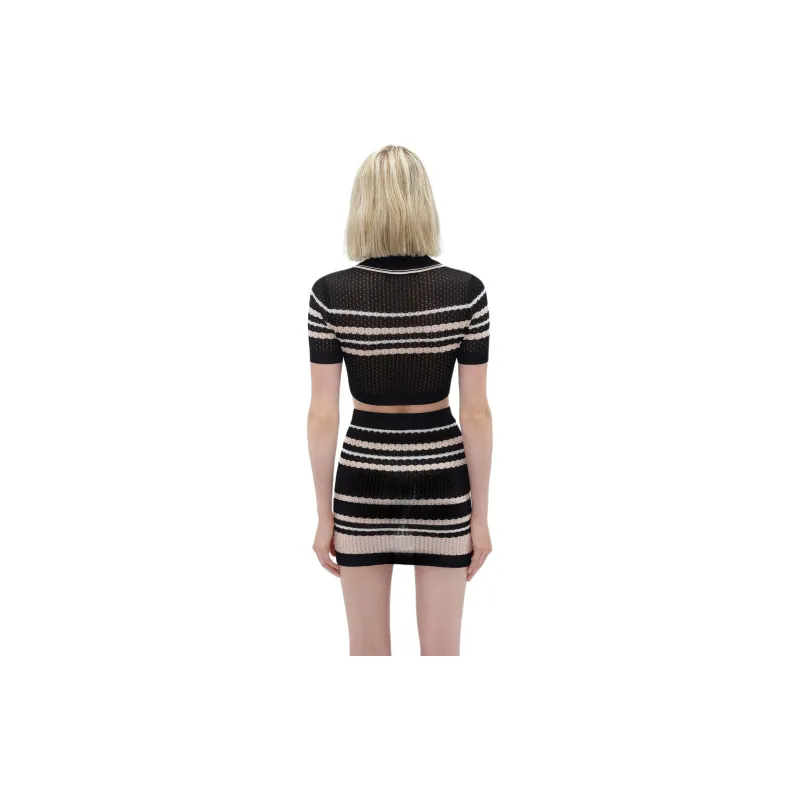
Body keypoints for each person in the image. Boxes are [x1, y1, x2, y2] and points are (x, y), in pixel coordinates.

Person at [306, 145, 493, 656]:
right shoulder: (466, 292)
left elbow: (323, 413)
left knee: (366, 652)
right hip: (442, 477)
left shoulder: (330, 294)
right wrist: (480, 517)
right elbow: (476, 413)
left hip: (363, 479)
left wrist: (324, 515)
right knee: (442, 652)